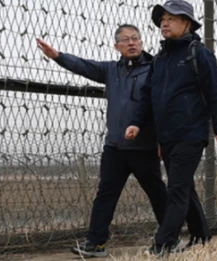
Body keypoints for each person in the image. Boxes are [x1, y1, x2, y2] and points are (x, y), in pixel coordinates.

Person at [36, 25, 167, 258]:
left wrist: (161, 139)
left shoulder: (156, 68)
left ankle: (168, 239)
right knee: (106, 194)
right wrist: (57, 56)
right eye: (125, 40)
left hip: (144, 147)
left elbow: (162, 107)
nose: (132, 43)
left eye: (135, 38)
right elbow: (84, 66)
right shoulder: (110, 70)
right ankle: (95, 243)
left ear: (142, 42)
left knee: (157, 193)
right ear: (116, 46)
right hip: (115, 147)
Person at [125, 0, 217, 255]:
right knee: (183, 186)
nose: (164, 23)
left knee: (177, 189)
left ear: (187, 23)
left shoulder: (199, 54)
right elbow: (149, 96)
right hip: (168, 136)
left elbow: (216, 91)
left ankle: (163, 244)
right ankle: (202, 238)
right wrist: (137, 123)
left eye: (171, 18)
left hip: (191, 133)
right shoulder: (160, 59)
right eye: (162, 19)